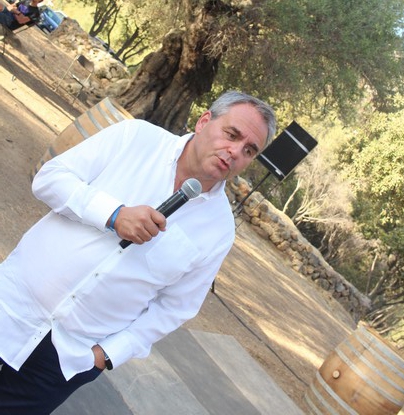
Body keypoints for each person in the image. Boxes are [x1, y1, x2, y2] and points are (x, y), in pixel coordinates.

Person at [0, 90, 276, 413]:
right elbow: (50, 179)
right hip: (12, 306)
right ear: (204, 122)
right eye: (232, 134)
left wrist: (106, 356)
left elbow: (176, 307)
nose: (235, 151)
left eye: (249, 150)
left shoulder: (219, 229)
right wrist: (113, 215)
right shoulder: (136, 139)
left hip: (67, 359)